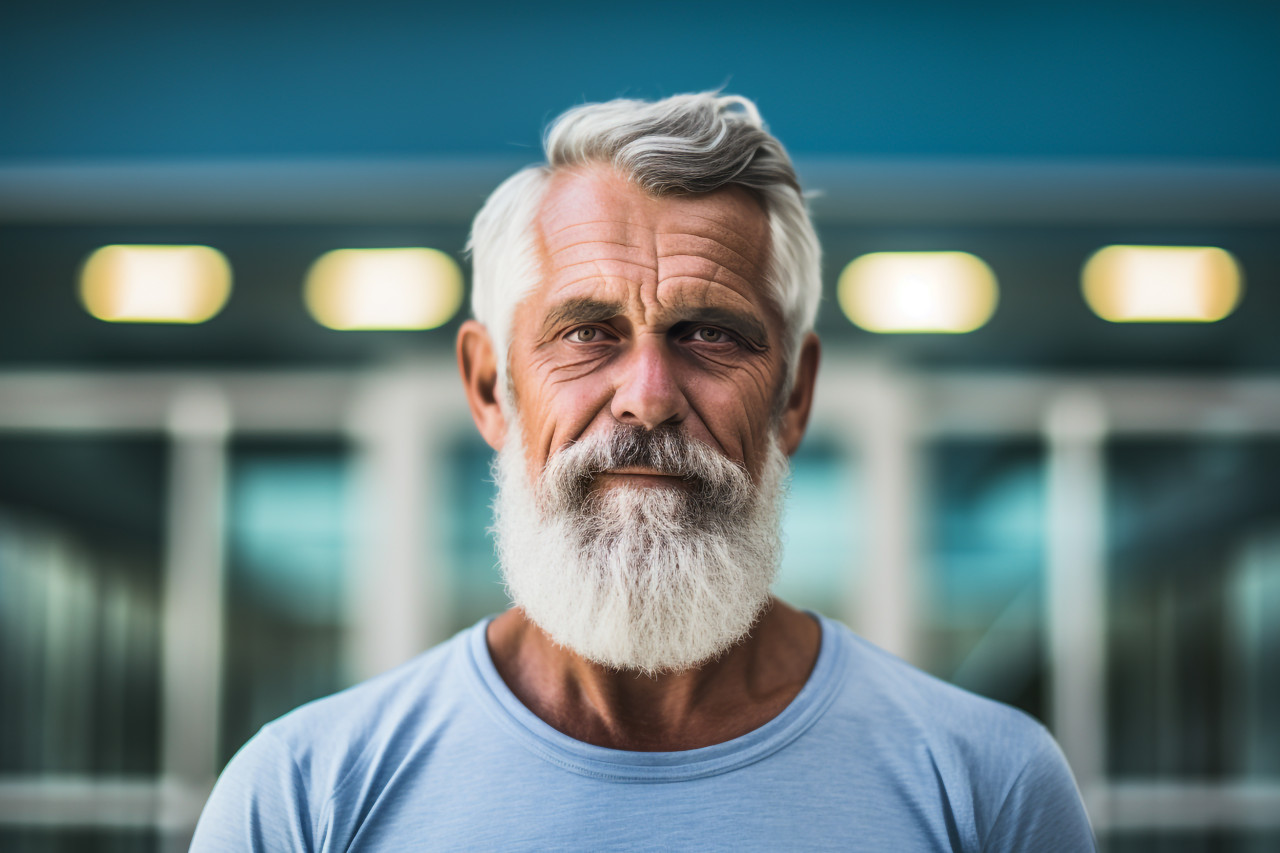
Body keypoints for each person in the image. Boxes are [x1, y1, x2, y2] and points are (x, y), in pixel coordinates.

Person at [190, 92, 1096, 851]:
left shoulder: (988, 787)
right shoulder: (305, 796)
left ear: (793, 397)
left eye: (713, 333)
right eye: (587, 333)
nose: (649, 396)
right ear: (488, 386)